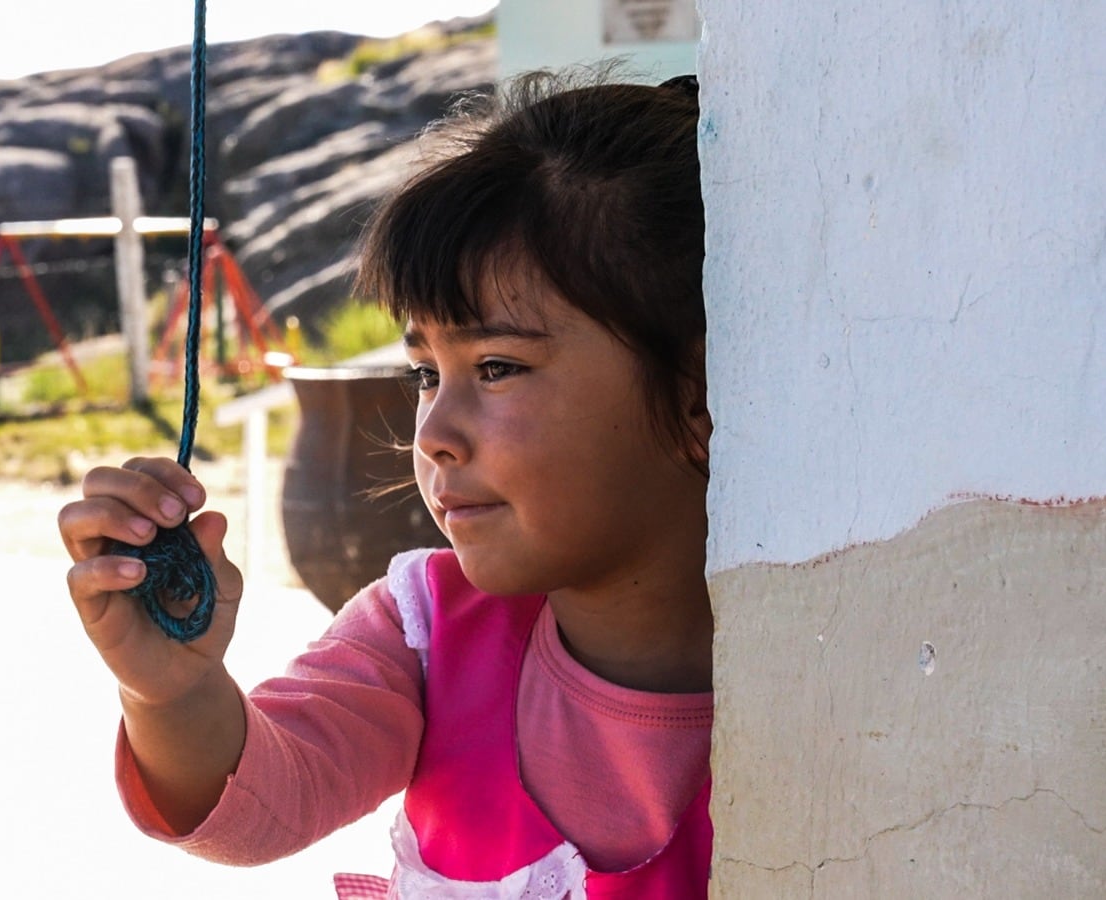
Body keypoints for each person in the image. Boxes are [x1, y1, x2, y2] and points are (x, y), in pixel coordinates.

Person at [57, 68, 713, 898]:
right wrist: (171, 690)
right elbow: (262, 803)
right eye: (424, 375)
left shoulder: (828, 663)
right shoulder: (425, 634)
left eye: (498, 367)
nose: (433, 435)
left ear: (697, 394)